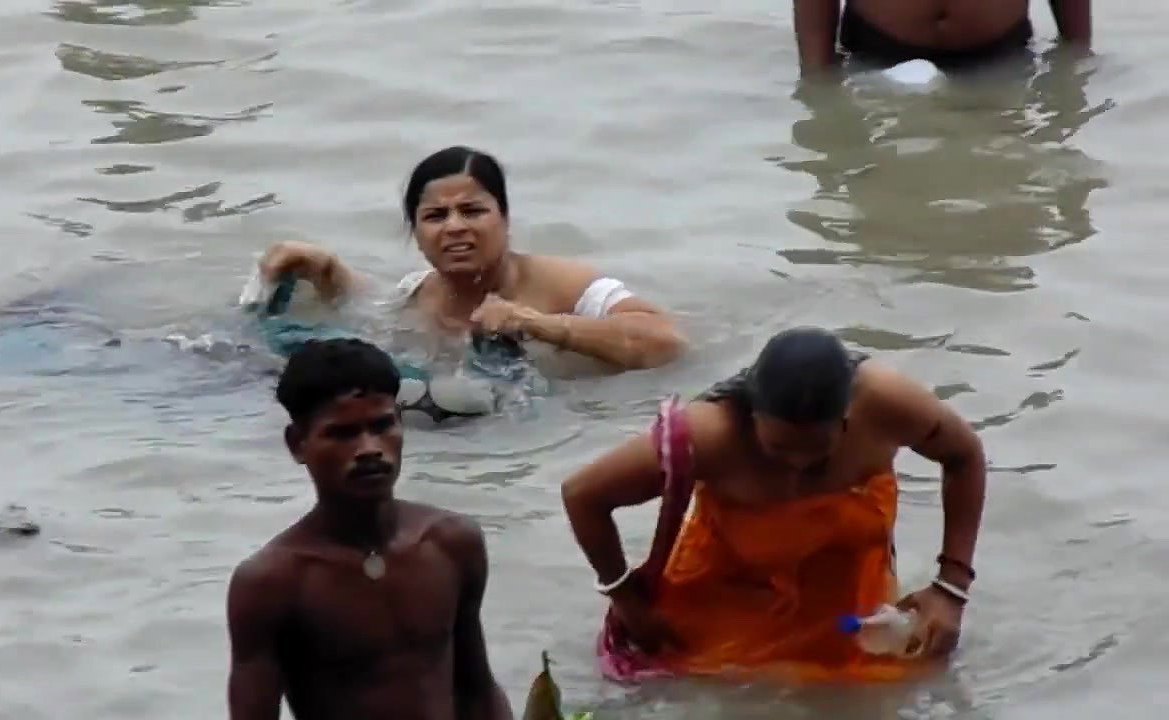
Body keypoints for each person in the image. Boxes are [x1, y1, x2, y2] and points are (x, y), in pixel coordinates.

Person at [561, 327, 987, 683]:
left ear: (847, 421)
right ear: (752, 417)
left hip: (847, 613)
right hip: (729, 610)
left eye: (818, 451)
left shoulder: (884, 406)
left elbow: (965, 455)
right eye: (778, 448)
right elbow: (583, 495)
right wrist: (626, 600)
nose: (798, 465)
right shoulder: (709, 435)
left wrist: (951, 589)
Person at [225, 338, 513, 719]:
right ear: (298, 444)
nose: (369, 448)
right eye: (342, 433)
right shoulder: (273, 584)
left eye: (382, 425)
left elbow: (478, 689)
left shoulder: (452, 543)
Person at [257, 146, 685, 373]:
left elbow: (666, 343)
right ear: (417, 236)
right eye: (435, 216)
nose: (455, 227)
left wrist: (537, 324)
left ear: (505, 218)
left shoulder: (566, 285)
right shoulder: (416, 293)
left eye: (473, 211)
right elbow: (367, 309)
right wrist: (325, 270)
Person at [794, 0, 1092, 76]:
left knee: (1005, 212)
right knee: (883, 218)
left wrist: (1077, 59)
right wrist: (817, 76)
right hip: (873, 57)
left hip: (1001, 61)